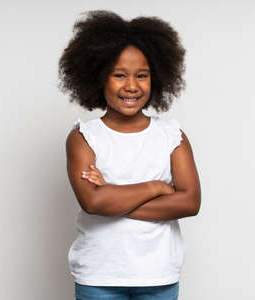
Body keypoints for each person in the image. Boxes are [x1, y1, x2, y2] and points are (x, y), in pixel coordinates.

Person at [58, 10, 201, 300]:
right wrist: (157, 188)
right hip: (99, 274)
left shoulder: (172, 136)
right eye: (119, 75)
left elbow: (190, 201)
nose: (132, 86)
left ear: (157, 77)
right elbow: (92, 201)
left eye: (142, 76)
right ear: (99, 77)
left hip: (158, 274)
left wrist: (113, 198)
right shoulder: (84, 137)